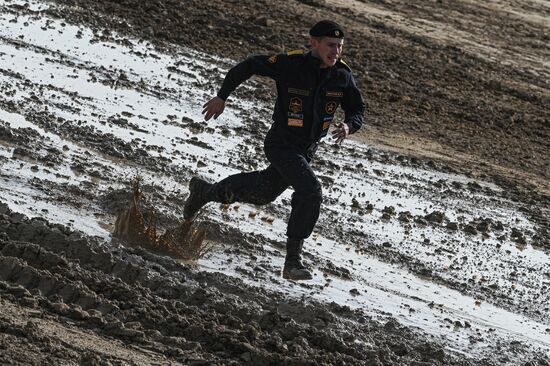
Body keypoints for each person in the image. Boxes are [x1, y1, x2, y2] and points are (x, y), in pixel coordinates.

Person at [184, 20, 366, 280]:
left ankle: (204, 192)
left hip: (306, 150)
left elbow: (358, 109)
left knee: (262, 193)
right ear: (314, 43)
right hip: (281, 143)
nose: (335, 51)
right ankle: (292, 261)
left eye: (339, 47)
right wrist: (221, 96)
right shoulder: (290, 65)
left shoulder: (342, 76)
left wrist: (349, 126)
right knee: (311, 190)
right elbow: (248, 66)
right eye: (330, 45)